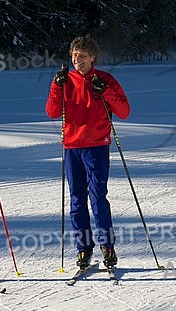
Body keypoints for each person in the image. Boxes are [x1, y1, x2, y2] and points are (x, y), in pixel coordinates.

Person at [45, 35, 130, 269]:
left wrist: (106, 92)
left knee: (98, 196)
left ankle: (107, 245)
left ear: (92, 57)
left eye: (82, 56)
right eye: (74, 55)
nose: (77, 59)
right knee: (77, 200)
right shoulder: (66, 80)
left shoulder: (104, 79)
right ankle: (83, 248)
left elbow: (124, 111)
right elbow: (52, 112)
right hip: (72, 147)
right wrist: (56, 86)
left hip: (97, 147)